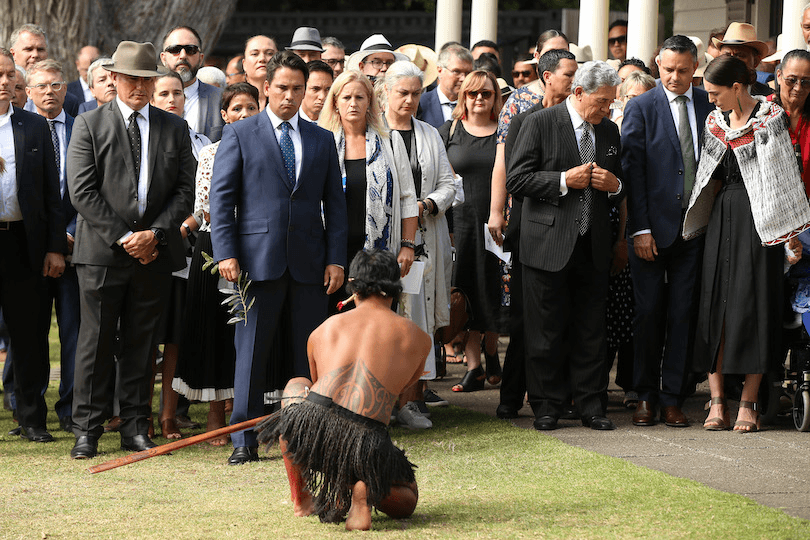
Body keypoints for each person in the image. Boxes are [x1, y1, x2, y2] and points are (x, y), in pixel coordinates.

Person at [210, 51, 348, 465]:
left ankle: (307, 438)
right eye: (282, 87)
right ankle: (243, 440)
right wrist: (226, 254)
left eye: (297, 88)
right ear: (265, 88)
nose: (289, 96)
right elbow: (222, 200)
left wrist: (336, 259)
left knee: (307, 354)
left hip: (310, 262)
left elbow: (336, 206)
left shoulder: (322, 138)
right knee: (250, 353)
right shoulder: (240, 133)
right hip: (255, 261)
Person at [67, 41, 195, 459]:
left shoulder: (173, 127)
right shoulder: (89, 124)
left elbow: (185, 190)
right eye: (131, 79)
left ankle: (137, 426)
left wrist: (155, 235)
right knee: (96, 343)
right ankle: (87, 429)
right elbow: (82, 192)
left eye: (146, 79)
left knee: (143, 344)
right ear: (114, 79)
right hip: (103, 253)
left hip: (154, 253)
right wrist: (126, 238)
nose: (139, 87)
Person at [256, 249, 430, 531]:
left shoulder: (324, 329)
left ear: (353, 286)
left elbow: (317, 383)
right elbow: (404, 388)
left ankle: (303, 499)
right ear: (396, 288)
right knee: (408, 497)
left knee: (295, 389)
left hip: (314, 435)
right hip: (366, 441)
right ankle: (362, 488)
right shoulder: (419, 339)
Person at [683, 55, 810, 432]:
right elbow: (708, 175)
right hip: (723, 217)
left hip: (761, 224)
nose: (710, 100)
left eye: (715, 92)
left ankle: (749, 404)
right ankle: (717, 401)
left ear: (737, 87)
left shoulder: (771, 118)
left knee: (756, 308)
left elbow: (784, 180)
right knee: (714, 307)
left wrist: (789, 237)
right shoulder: (713, 121)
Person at [506, 61, 624, 431]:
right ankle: (547, 406)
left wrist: (615, 186)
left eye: (611, 102)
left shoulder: (609, 132)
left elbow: (619, 186)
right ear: (578, 93)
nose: (607, 109)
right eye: (602, 102)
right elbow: (517, 179)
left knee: (591, 330)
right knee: (545, 331)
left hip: (593, 244)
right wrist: (562, 180)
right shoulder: (539, 123)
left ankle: (591, 405)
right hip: (546, 243)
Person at [621, 35, 714, 428]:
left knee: (682, 313)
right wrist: (640, 229)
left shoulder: (710, 105)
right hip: (650, 229)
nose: (674, 77)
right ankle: (644, 395)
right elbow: (632, 171)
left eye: (683, 70)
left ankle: (673, 396)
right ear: (658, 64)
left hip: (694, 229)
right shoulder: (641, 106)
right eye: (668, 69)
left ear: (695, 68)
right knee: (648, 313)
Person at [492, 49, 578, 419]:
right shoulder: (526, 118)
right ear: (546, 77)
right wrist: (497, 213)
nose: (575, 81)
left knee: (558, 319)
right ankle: (511, 396)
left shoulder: (581, 119)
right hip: (529, 228)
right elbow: (512, 173)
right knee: (526, 320)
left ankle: (560, 396)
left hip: (569, 231)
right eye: (569, 74)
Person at [174, 82, 261, 446]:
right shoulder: (210, 153)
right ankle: (215, 412)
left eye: (250, 107)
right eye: (236, 108)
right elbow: (206, 208)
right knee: (216, 330)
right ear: (224, 115)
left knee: (249, 330)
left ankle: (249, 411)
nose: (243, 114)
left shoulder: (269, 148)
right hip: (218, 245)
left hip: (258, 245)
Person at [382, 61, 456, 424]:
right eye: (403, 93)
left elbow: (449, 183)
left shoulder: (429, 133)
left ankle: (411, 400)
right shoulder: (374, 132)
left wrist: (429, 204)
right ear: (386, 92)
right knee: (387, 319)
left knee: (417, 320)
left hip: (425, 237)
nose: (410, 100)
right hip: (384, 240)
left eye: (415, 94)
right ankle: (383, 402)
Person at [0, 48, 66, 443]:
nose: (4, 81)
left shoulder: (33, 126)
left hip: (24, 243)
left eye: (10, 74)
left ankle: (32, 418)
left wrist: (55, 247)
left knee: (30, 334)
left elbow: (50, 195)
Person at [318, 70, 418, 310]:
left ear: (370, 102)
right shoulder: (322, 142)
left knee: (378, 324)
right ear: (335, 103)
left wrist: (407, 245)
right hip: (332, 253)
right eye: (346, 97)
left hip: (379, 253)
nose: (353, 104)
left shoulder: (391, 142)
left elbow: (407, 197)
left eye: (360, 98)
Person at [438, 70, 506, 392]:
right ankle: (475, 367)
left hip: (496, 226)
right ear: (463, 97)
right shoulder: (448, 131)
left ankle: (491, 352)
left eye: (486, 94)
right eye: (472, 93)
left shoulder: (505, 133)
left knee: (490, 292)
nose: (479, 99)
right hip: (458, 226)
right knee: (463, 293)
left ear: (495, 98)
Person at [24, 59, 79, 433]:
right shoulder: (18, 131)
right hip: (29, 251)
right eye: (41, 86)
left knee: (76, 334)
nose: (49, 91)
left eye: (56, 85)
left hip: (79, 248)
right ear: (27, 92)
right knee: (31, 332)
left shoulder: (84, 129)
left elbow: (96, 189)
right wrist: (49, 242)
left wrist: (70, 234)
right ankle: (29, 413)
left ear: (66, 89)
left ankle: (73, 411)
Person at [160, 25, 224, 142]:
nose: (183, 55)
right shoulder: (148, 99)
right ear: (163, 58)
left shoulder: (221, 98)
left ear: (201, 58)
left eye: (190, 50)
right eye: (175, 49)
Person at [12, 24, 81, 117]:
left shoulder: (68, 101)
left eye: (40, 49)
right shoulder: (5, 95)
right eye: (29, 49)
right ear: (13, 54)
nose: (35, 54)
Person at [771, 49, 810, 196]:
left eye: (806, 82)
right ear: (779, 76)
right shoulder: (761, 113)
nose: (798, 88)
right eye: (791, 80)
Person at [418, 44, 473, 128]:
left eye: (468, 73)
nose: (463, 78)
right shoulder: (421, 103)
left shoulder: (474, 105)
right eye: (456, 71)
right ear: (440, 71)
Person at [712, 22, 772, 96]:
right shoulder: (707, 95)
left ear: (755, 61)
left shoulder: (768, 98)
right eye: (727, 55)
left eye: (739, 56)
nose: (731, 61)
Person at [242, 35, 278, 110]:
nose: (262, 59)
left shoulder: (287, 97)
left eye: (269, 53)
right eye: (255, 54)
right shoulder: (234, 98)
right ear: (244, 64)